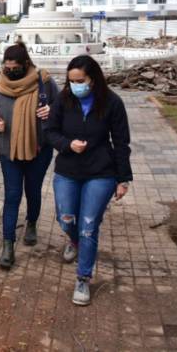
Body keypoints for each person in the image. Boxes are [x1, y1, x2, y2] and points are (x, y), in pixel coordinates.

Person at [45, 55, 132, 306]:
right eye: (71, 81)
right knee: (66, 218)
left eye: (80, 80)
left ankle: (83, 278)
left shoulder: (112, 103)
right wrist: (67, 145)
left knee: (89, 226)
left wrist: (123, 178)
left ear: (93, 79)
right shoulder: (63, 100)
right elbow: (50, 132)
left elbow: (121, 142)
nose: (75, 85)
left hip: (100, 173)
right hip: (67, 171)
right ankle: (73, 240)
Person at [0, 43, 58, 270]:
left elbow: (64, 106)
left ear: (26, 64)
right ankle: (8, 246)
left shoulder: (44, 82)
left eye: (15, 68)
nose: (10, 71)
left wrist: (52, 111)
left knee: (33, 191)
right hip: (9, 152)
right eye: (6, 68)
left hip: (39, 150)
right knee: (12, 196)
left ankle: (32, 223)